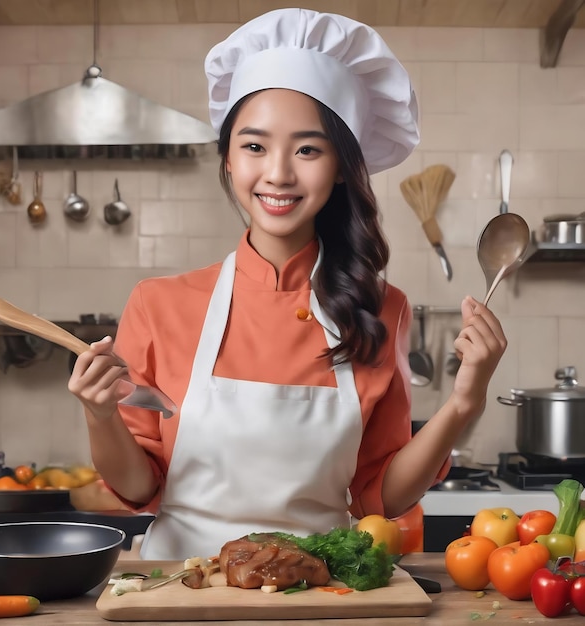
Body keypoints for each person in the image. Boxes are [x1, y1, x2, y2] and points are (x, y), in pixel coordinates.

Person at [68, 8, 507, 560]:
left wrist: (464, 403)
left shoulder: (381, 309)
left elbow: (381, 497)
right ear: (228, 159)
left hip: (321, 594)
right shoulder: (159, 305)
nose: (278, 173)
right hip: (180, 591)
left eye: (308, 149)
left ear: (343, 167)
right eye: (254, 146)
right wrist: (99, 415)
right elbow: (138, 486)